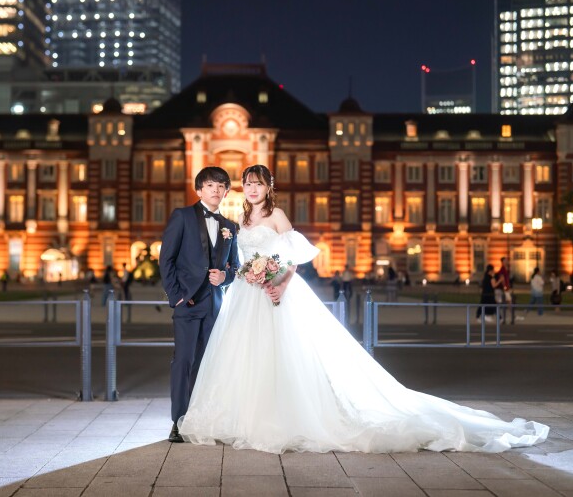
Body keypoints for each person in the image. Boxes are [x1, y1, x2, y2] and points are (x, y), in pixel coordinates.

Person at [178, 165, 548, 454]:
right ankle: (241, 418)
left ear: (269, 187)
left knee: (286, 357)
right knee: (245, 358)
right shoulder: (239, 221)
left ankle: (281, 417)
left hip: (276, 292)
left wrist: (278, 282)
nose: (253, 188)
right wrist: (246, 273)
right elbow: (237, 258)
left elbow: (295, 259)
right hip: (245, 295)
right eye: (248, 182)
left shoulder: (278, 216)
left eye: (258, 182)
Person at [160, 166, 239, 444]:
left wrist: (225, 277)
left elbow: (236, 267)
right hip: (188, 303)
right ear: (199, 190)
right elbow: (166, 259)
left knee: (208, 364)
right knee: (183, 361)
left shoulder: (230, 227)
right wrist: (176, 295)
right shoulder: (182, 216)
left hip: (215, 306)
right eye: (210, 186)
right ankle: (178, 422)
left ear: (227, 191)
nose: (216, 191)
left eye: (221, 187)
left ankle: (201, 418)